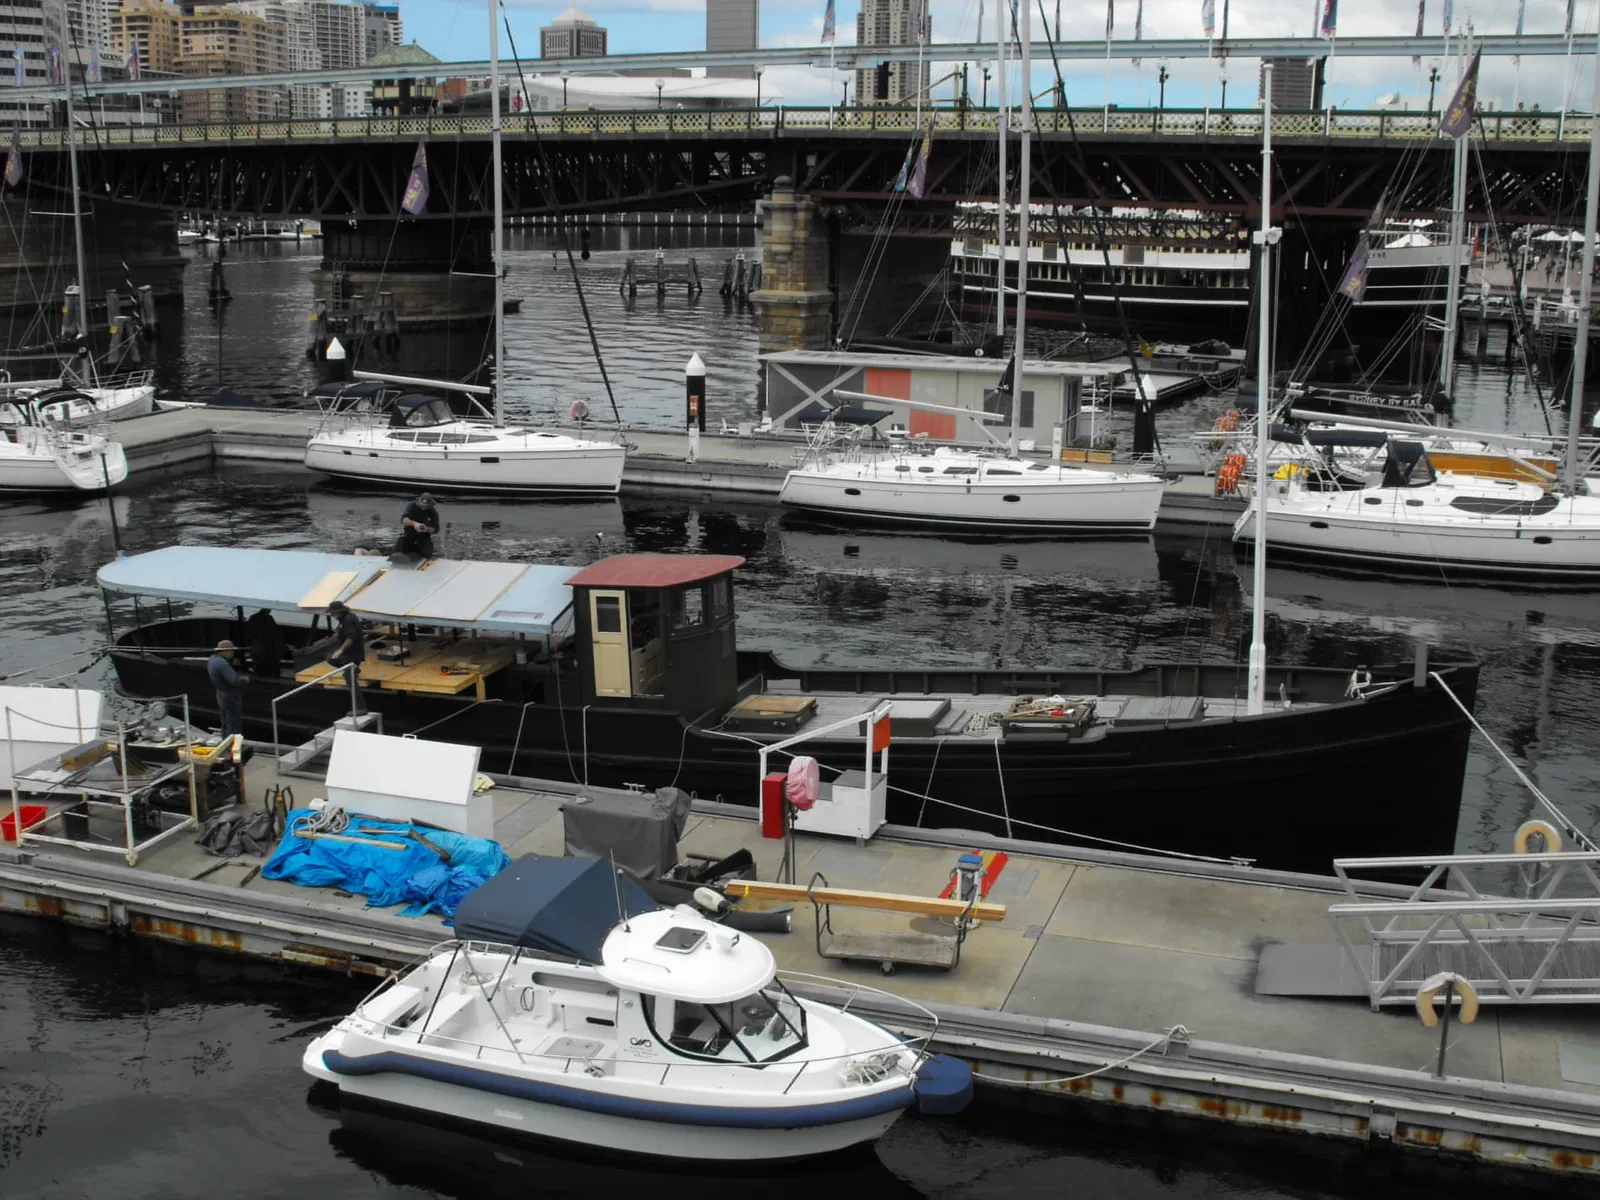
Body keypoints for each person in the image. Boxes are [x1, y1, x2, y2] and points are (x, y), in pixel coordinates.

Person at [326, 600, 367, 714]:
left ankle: (360, 707)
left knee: (351, 680)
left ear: (339, 612)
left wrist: (340, 650)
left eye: (333, 613)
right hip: (350, 654)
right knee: (330, 659)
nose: (332, 615)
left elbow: (350, 637)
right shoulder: (347, 618)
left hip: (352, 655)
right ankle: (354, 669)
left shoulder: (348, 620)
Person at [207, 640, 245, 738]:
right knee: (233, 722)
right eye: (231, 651)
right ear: (226, 651)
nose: (232, 653)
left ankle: (224, 740)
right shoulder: (222, 664)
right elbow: (234, 681)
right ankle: (232, 743)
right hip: (230, 695)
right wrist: (245, 679)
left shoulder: (212, 659)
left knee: (225, 721)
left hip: (220, 694)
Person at [398, 492, 440, 559]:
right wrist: (414, 524)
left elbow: (436, 528)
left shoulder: (433, 512)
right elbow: (404, 519)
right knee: (401, 548)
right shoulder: (412, 506)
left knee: (427, 554)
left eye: (426, 506)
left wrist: (427, 529)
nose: (423, 507)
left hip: (424, 535)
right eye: (422, 506)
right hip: (410, 533)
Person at [246, 607, 286, 676]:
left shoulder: (254, 617)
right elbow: (273, 632)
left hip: (257, 643)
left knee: (258, 659)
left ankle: (259, 673)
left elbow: (249, 631)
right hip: (264, 644)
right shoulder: (268, 618)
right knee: (265, 658)